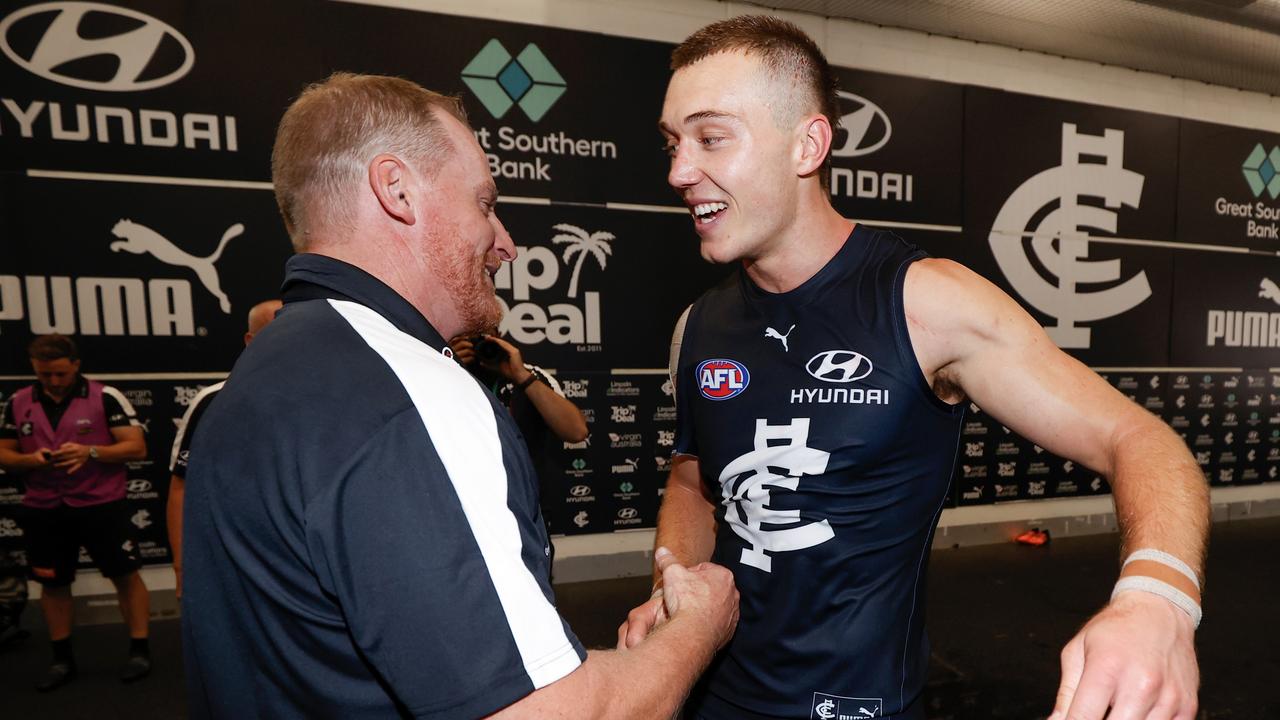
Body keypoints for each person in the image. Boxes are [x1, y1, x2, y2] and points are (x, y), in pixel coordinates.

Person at [619, 16, 1208, 720]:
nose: (679, 171)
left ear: (808, 144)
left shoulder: (928, 303)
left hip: (859, 707)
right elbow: (692, 482)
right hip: (707, 692)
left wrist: (1157, 601)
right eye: (673, 142)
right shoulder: (700, 324)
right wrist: (669, 582)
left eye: (711, 138)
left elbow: (1141, 440)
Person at [180, 72, 738, 719]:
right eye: (483, 203)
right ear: (396, 191)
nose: (504, 242)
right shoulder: (412, 395)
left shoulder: (264, 370)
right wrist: (699, 626)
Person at [0, 334, 151, 690]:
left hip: (101, 504)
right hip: (44, 507)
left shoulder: (105, 396)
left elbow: (136, 446)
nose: (53, 381)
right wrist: (28, 460)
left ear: (76, 366)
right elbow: (3, 452)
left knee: (126, 575)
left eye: (60, 374)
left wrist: (91, 452)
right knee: (52, 583)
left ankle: (140, 649)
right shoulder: (18, 401)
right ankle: (61, 658)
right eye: (44, 374)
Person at [166, 299, 282, 599]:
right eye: (276, 331)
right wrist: (181, 567)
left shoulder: (328, 397)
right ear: (250, 341)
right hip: (228, 560)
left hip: (298, 566)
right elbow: (181, 487)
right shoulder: (213, 402)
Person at [449, 331, 587, 556]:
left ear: (498, 337)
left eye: (484, 339)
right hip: (461, 510)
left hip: (524, 513)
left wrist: (521, 376)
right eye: (469, 339)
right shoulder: (441, 372)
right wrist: (448, 366)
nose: (478, 347)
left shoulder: (531, 375)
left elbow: (576, 430)